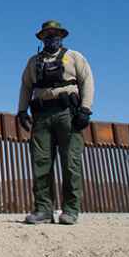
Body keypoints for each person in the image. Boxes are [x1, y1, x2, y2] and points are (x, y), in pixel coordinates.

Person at [17, 20, 95, 225]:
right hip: (42, 116)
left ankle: (70, 210)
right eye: (47, 35)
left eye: (55, 34)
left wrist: (85, 109)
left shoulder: (74, 57)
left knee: (71, 162)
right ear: (42, 38)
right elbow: (26, 86)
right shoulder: (33, 62)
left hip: (67, 114)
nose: (51, 38)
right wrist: (22, 111)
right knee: (40, 163)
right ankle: (43, 209)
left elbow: (87, 81)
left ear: (61, 36)